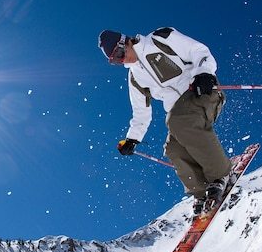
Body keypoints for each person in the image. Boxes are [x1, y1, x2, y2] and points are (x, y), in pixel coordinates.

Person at [98, 27, 232, 216]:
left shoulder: (160, 38)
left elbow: (198, 50)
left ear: (125, 41)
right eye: (116, 61)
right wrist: (132, 139)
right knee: (172, 148)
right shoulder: (135, 77)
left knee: (177, 121)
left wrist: (205, 73)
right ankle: (202, 191)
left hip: (203, 91)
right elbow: (141, 111)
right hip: (181, 114)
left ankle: (221, 173)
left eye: (120, 53)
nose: (122, 60)